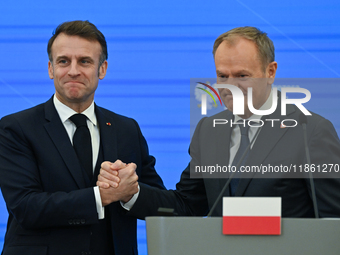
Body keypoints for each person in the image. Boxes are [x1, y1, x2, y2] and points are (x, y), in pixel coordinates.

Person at [98, 26, 340, 218]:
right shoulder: (209, 131)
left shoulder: (312, 131)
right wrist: (132, 193)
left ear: (270, 72)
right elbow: (187, 206)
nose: (230, 86)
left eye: (242, 76)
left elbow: (332, 220)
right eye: (222, 76)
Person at [0, 20, 165, 255]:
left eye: (85, 61)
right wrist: (102, 196)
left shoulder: (127, 129)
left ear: (102, 69)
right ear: (50, 69)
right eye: (64, 61)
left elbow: (161, 205)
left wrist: (130, 192)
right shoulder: (15, 128)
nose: (73, 70)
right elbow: (26, 207)